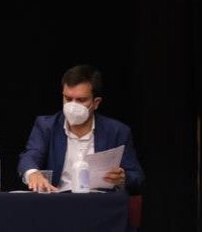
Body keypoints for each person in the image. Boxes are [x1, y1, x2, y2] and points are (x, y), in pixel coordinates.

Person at [18, 64, 143, 193]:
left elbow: (137, 178)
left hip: (99, 205)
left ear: (96, 103)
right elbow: (30, 156)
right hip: (57, 202)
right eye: (68, 98)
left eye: (81, 100)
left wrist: (122, 178)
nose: (73, 106)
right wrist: (33, 173)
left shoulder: (117, 131)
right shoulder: (47, 126)